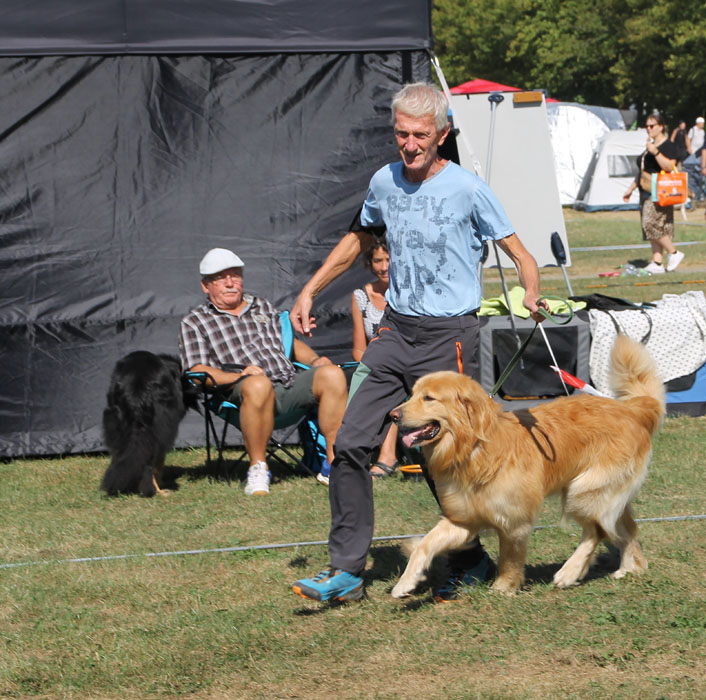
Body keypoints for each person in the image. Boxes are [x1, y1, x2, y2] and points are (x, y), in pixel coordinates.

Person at [288, 82, 545, 603]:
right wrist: (310, 289)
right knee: (349, 444)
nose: (409, 145)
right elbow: (359, 238)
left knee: (448, 458)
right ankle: (347, 572)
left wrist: (531, 290)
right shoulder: (383, 182)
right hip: (395, 331)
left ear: (442, 134)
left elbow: (522, 256)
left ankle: (470, 557)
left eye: (420, 135)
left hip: (449, 338)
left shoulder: (468, 189)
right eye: (401, 134)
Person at [179, 248, 348, 495]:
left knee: (332, 373)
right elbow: (197, 369)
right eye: (220, 278)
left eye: (235, 276)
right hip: (239, 394)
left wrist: (315, 360)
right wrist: (241, 376)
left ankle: (335, 463)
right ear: (206, 286)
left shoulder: (262, 306)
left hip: (287, 385)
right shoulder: (195, 321)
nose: (230, 283)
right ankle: (259, 468)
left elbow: (289, 344)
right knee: (258, 383)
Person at [348, 237, 402, 481]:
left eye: (388, 260)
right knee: (382, 379)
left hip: (406, 362)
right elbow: (358, 349)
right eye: (378, 261)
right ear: (369, 264)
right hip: (375, 363)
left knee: (392, 381)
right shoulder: (361, 296)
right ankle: (353, 454)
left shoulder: (407, 293)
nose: (383, 267)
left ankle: (388, 454)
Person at [622, 113, 686, 273]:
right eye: (647, 126)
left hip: (661, 192)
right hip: (646, 190)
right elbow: (644, 171)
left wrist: (655, 152)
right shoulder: (649, 144)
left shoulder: (668, 145)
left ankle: (674, 253)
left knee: (650, 225)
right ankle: (657, 262)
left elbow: (670, 166)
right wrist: (631, 189)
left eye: (652, 126)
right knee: (656, 227)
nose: (648, 129)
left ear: (661, 127)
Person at [684, 116, 706, 204]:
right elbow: (688, 139)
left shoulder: (703, 131)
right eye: (702, 123)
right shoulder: (693, 130)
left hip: (700, 154)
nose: (703, 125)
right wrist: (689, 148)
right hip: (693, 153)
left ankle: (699, 194)